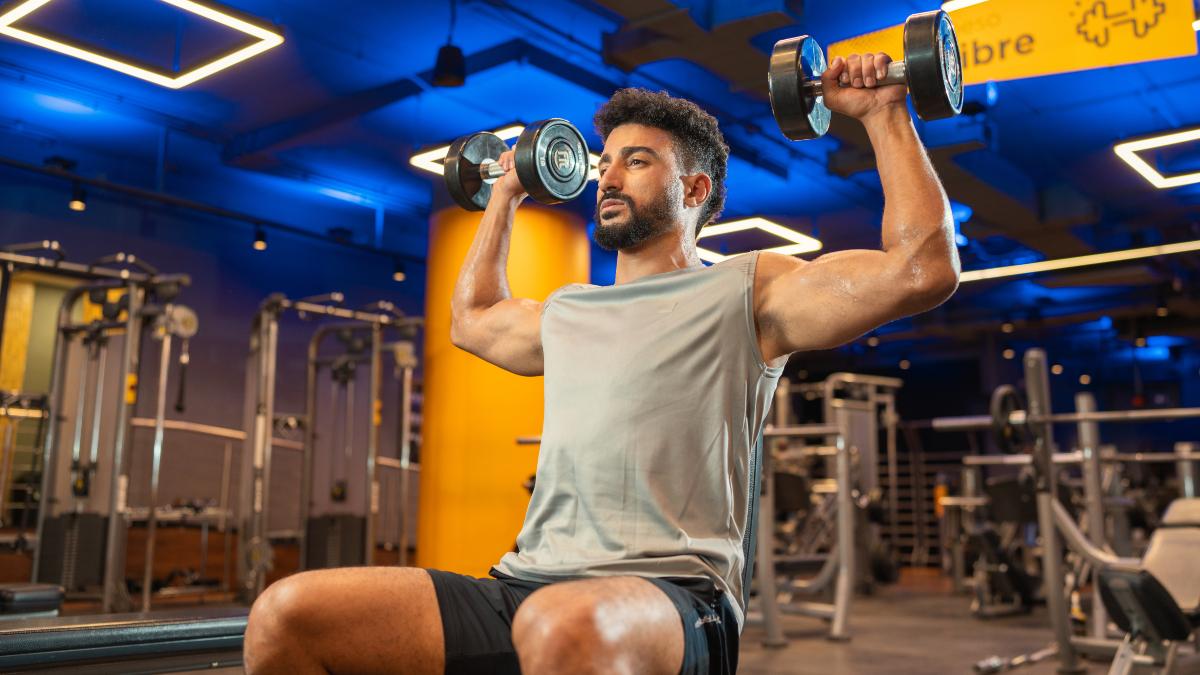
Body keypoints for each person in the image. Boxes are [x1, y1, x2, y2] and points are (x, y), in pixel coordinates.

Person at [244, 52, 960, 675]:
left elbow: (920, 269)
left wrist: (883, 111)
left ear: (696, 190)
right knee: (288, 615)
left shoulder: (750, 288)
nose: (608, 177)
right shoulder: (569, 309)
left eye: (637, 161)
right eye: (606, 161)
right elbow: (472, 321)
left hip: (675, 598)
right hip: (524, 585)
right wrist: (504, 193)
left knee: (561, 626)